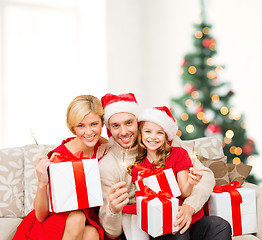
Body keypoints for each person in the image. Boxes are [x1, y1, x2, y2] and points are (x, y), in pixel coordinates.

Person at [98, 93, 232, 240]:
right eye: (116, 126)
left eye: (129, 123)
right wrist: (113, 210)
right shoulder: (108, 164)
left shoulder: (166, 143)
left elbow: (205, 176)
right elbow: (111, 232)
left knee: (219, 226)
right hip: (148, 227)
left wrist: (189, 207)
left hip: (181, 214)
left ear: (138, 123)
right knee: (178, 233)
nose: (123, 132)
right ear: (109, 128)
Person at [13, 95, 109, 240]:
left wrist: (108, 143)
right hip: (53, 222)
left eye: (94, 124)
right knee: (77, 217)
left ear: (102, 123)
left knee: (92, 233)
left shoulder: (101, 145)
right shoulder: (59, 158)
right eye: (81, 126)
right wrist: (42, 182)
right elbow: (41, 216)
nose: (89, 132)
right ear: (73, 128)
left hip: (86, 219)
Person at [129, 106, 203, 240]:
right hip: (161, 223)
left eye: (160, 133)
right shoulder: (138, 168)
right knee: (179, 234)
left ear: (166, 136)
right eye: (148, 131)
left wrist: (191, 183)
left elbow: (184, 193)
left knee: (220, 225)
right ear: (141, 134)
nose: (153, 137)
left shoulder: (179, 154)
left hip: (184, 214)